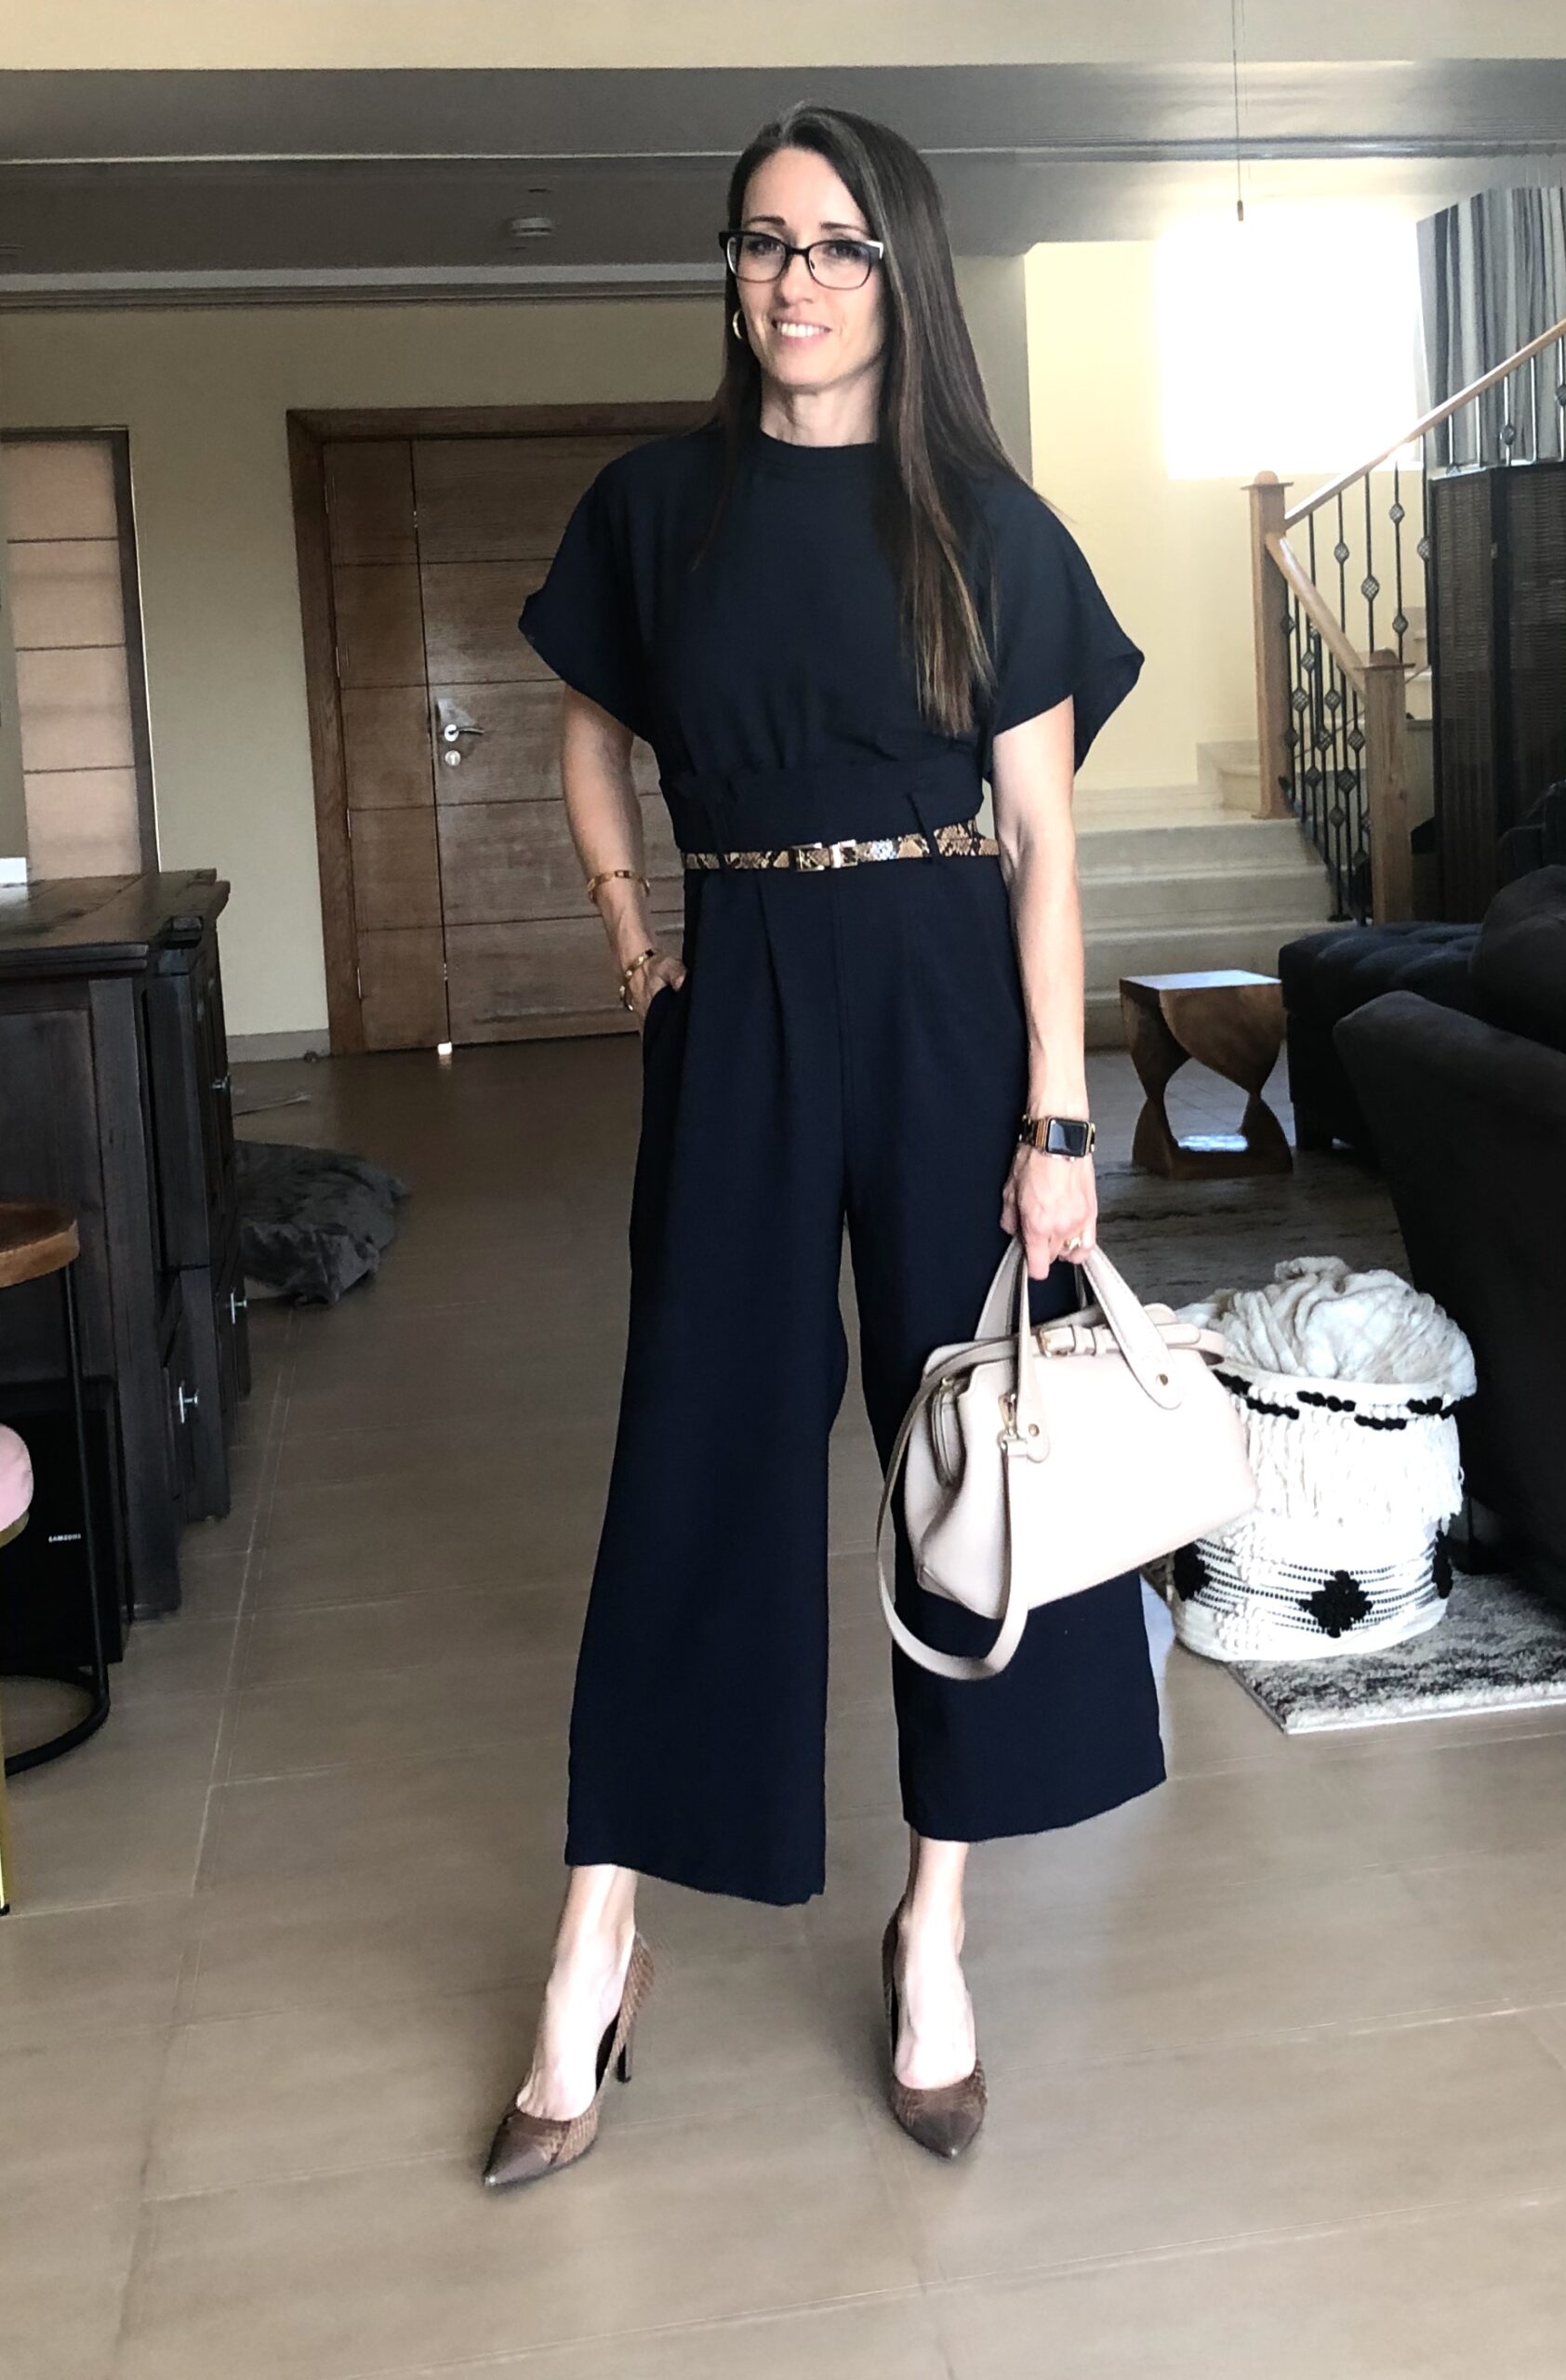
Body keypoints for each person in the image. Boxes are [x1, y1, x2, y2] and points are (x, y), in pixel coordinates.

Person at [484, 101, 1163, 2188]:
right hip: (745, 979)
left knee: (962, 1451)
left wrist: (1058, 1119)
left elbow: (1042, 839)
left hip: (951, 994)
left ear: (901, 274)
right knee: (696, 1444)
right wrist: (628, 938)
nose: (793, 280)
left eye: (836, 246)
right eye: (763, 243)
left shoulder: (981, 517)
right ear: (732, 270)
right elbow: (590, 728)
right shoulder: (650, 509)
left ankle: (933, 1920)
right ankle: (601, 1926)